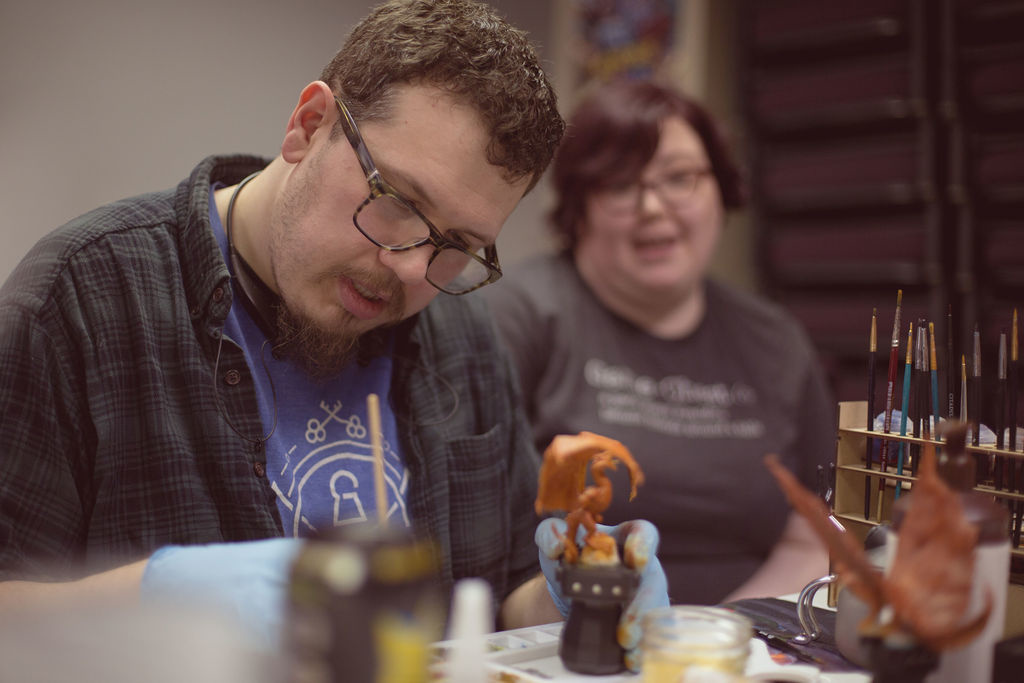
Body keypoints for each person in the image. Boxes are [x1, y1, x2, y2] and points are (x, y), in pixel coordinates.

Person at [0, 0, 666, 662]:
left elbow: (507, 589)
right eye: (400, 202)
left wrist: (579, 592)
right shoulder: (83, 298)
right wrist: (151, 595)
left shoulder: (460, 329)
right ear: (308, 124)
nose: (408, 270)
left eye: (458, 244)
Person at [484, 79, 836, 605]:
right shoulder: (518, 316)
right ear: (578, 206)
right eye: (621, 185)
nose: (652, 206)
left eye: (679, 178)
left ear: (720, 188)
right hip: (570, 640)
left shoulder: (776, 342)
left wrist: (717, 638)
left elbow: (812, 533)